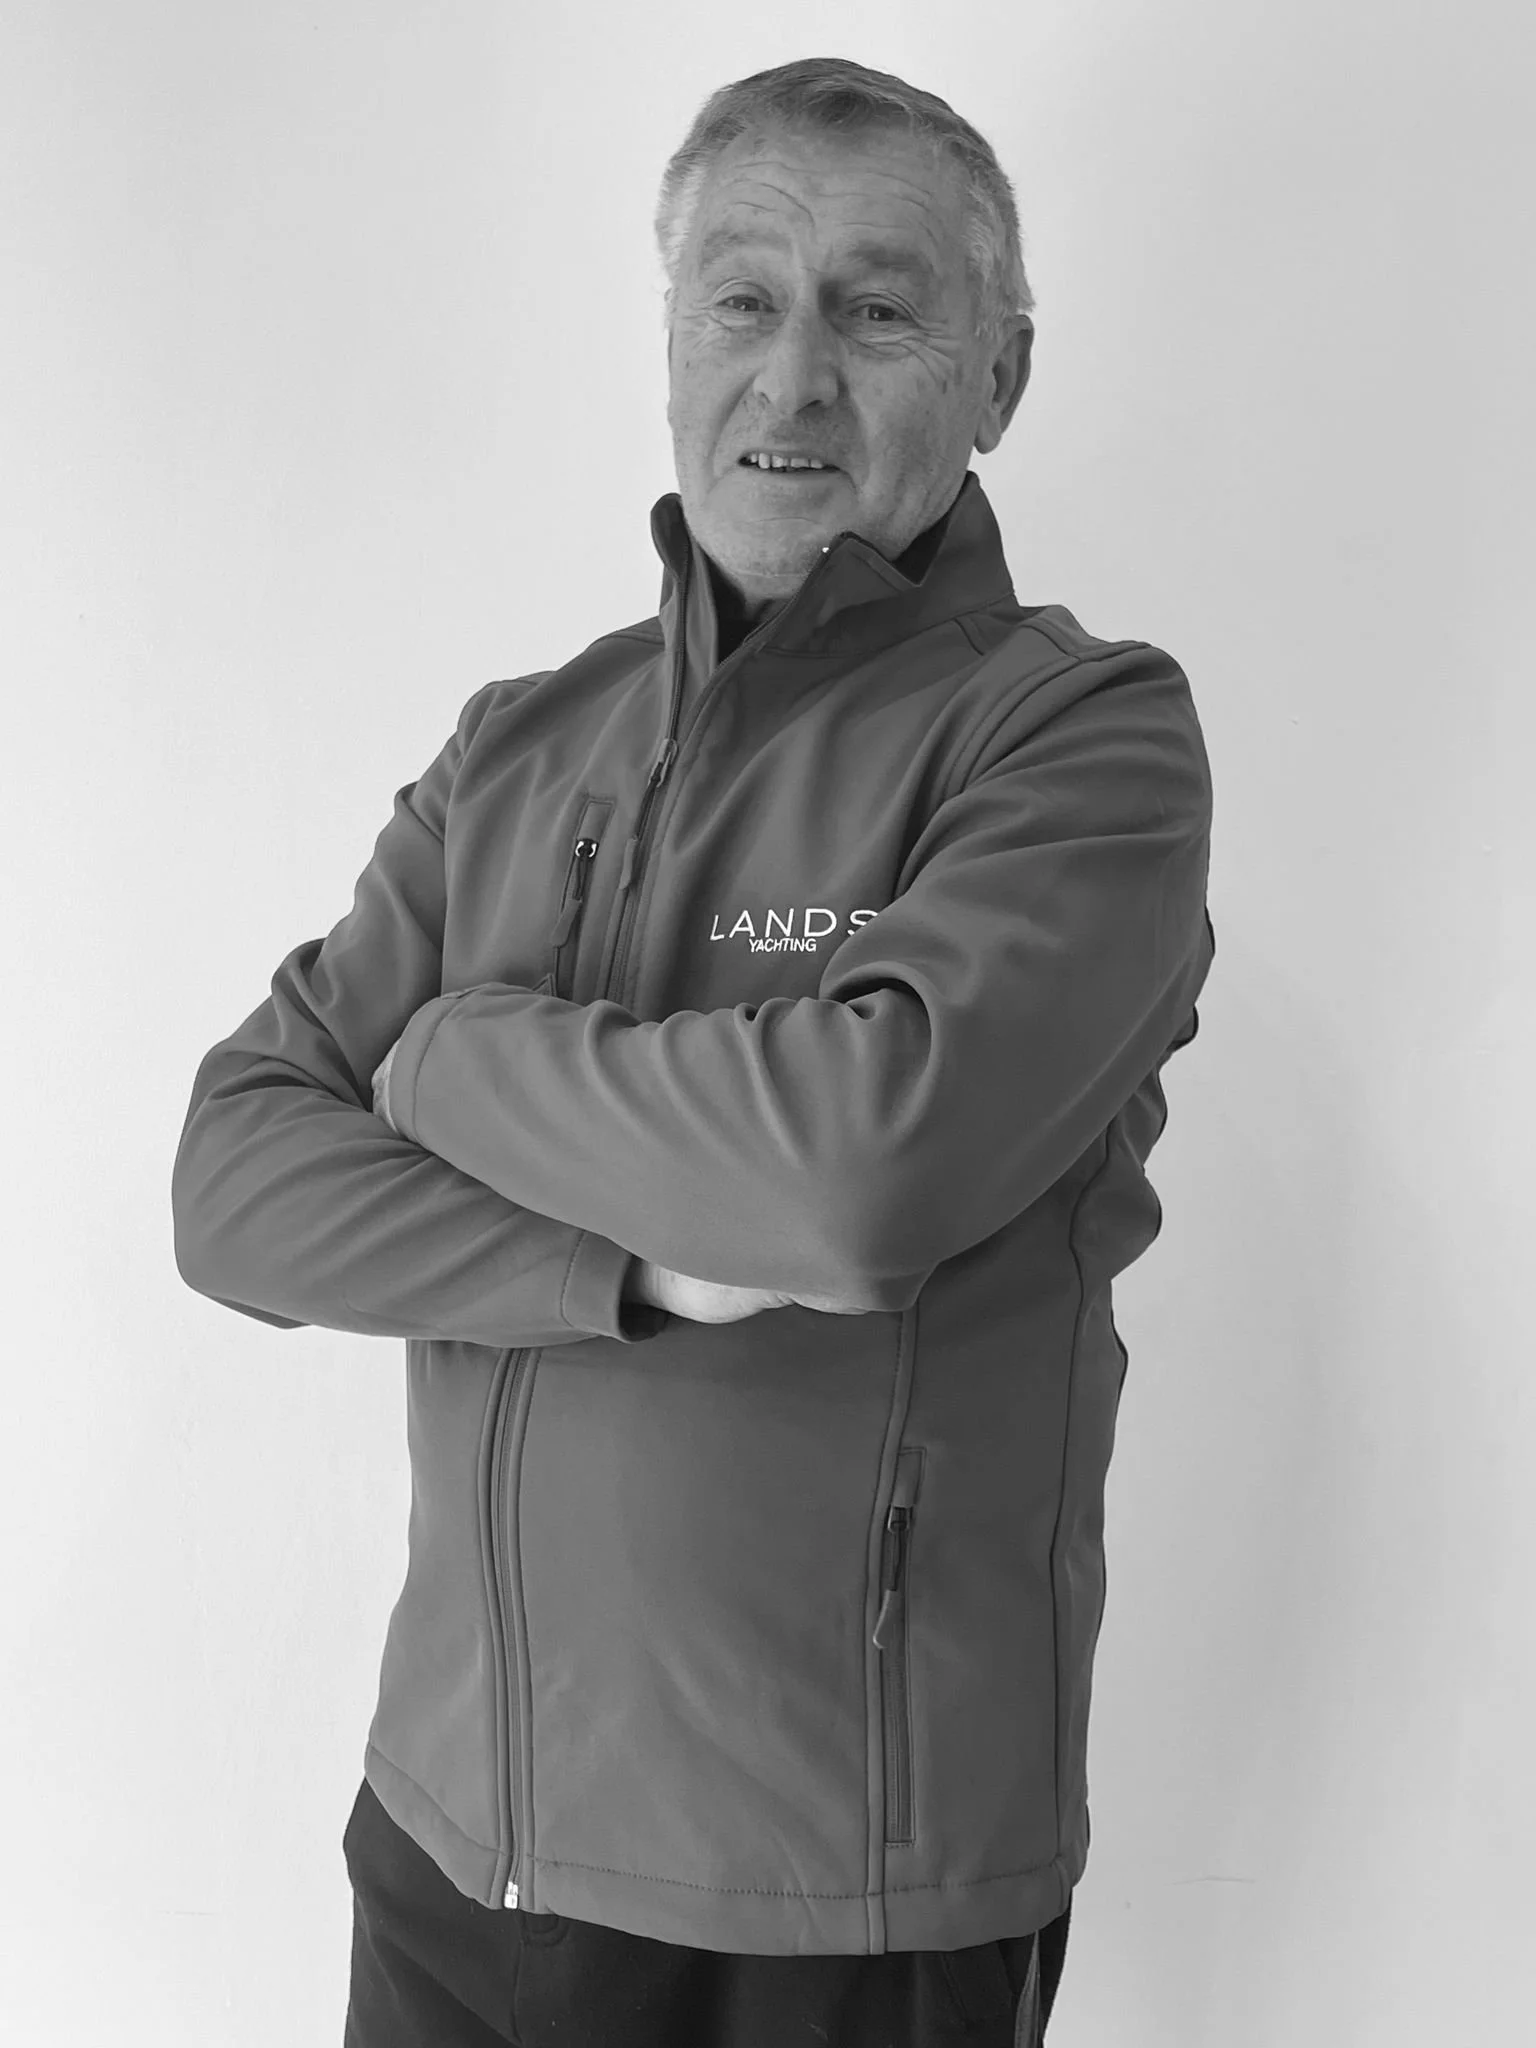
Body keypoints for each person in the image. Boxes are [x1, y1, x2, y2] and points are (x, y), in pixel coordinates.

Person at [172, 54, 1215, 2048]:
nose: (794, 375)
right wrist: (623, 1264)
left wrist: (456, 1058)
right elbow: (233, 1178)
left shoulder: (1075, 738)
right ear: (672, 347)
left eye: (877, 308)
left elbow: (852, 1180)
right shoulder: (517, 746)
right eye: (742, 300)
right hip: (448, 1832)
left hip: (834, 1905)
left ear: (999, 375)